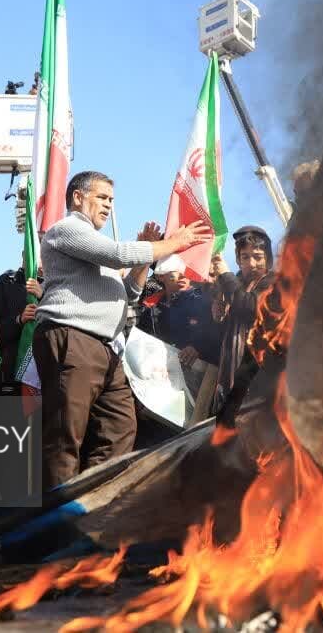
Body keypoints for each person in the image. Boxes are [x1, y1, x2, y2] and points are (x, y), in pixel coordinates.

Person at [31, 171, 211, 491]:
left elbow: (129, 293)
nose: (108, 206)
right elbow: (119, 254)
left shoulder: (97, 249)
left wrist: (144, 256)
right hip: (73, 338)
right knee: (65, 435)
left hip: (105, 348)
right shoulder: (67, 229)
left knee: (120, 428)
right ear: (77, 197)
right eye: (101, 197)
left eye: (111, 200)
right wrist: (170, 243)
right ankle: (55, 516)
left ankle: (87, 498)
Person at [138, 254, 221, 406]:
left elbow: (219, 336)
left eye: (187, 267)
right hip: (154, 385)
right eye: (176, 268)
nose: (183, 273)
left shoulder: (206, 303)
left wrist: (198, 347)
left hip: (194, 390)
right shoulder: (149, 308)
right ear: (161, 275)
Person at [211, 227, 277, 411]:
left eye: (257, 256)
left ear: (268, 259)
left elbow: (250, 307)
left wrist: (225, 275)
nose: (251, 263)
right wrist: (219, 315)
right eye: (245, 257)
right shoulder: (236, 284)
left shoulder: (274, 282)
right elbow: (226, 338)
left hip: (259, 381)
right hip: (231, 377)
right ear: (238, 260)